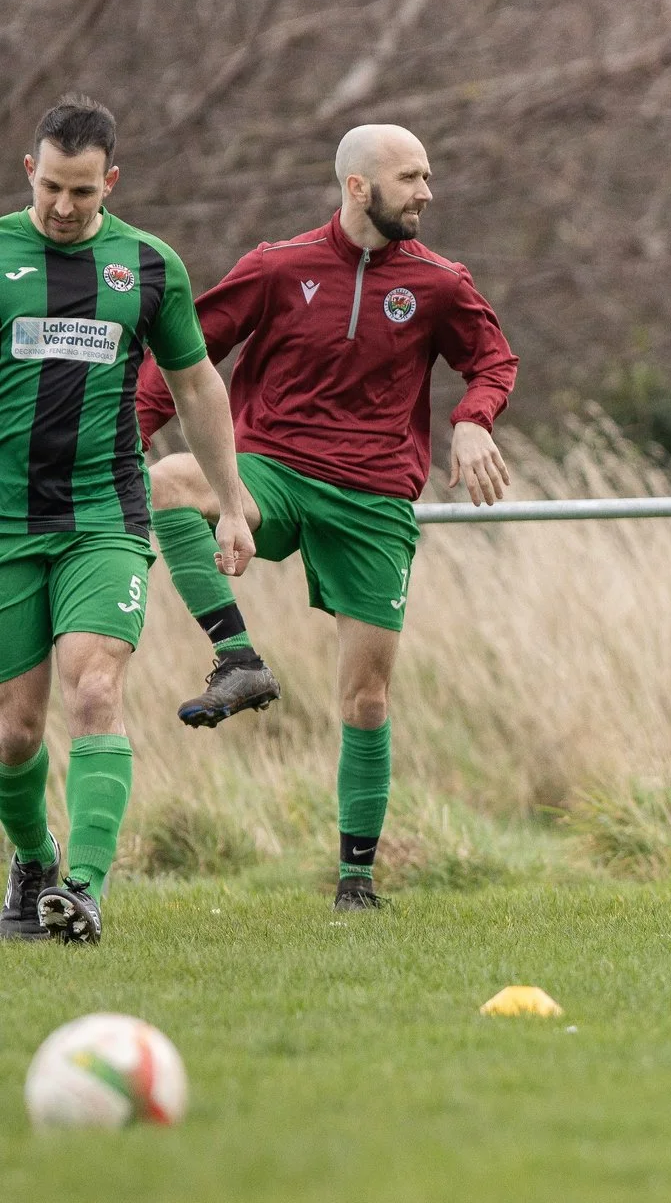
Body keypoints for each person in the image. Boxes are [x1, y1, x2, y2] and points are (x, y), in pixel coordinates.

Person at [134, 124, 517, 911]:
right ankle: (237, 659)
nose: (427, 193)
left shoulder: (440, 283)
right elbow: (181, 355)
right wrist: (124, 437)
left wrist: (475, 417)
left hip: (375, 500)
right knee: (172, 480)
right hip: (270, 473)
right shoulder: (277, 268)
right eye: (411, 178)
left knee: (367, 701)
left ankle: (355, 883)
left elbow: (493, 359)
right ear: (357, 187)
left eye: (428, 175)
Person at [0, 97, 256, 945]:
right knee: (12, 733)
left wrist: (230, 498)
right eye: (51, 190)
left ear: (110, 181)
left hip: (105, 517)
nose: (65, 208)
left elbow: (196, 385)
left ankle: (84, 888)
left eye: (83, 191)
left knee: (97, 689)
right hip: (5, 523)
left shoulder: (148, 266)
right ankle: (34, 858)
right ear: (29, 171)